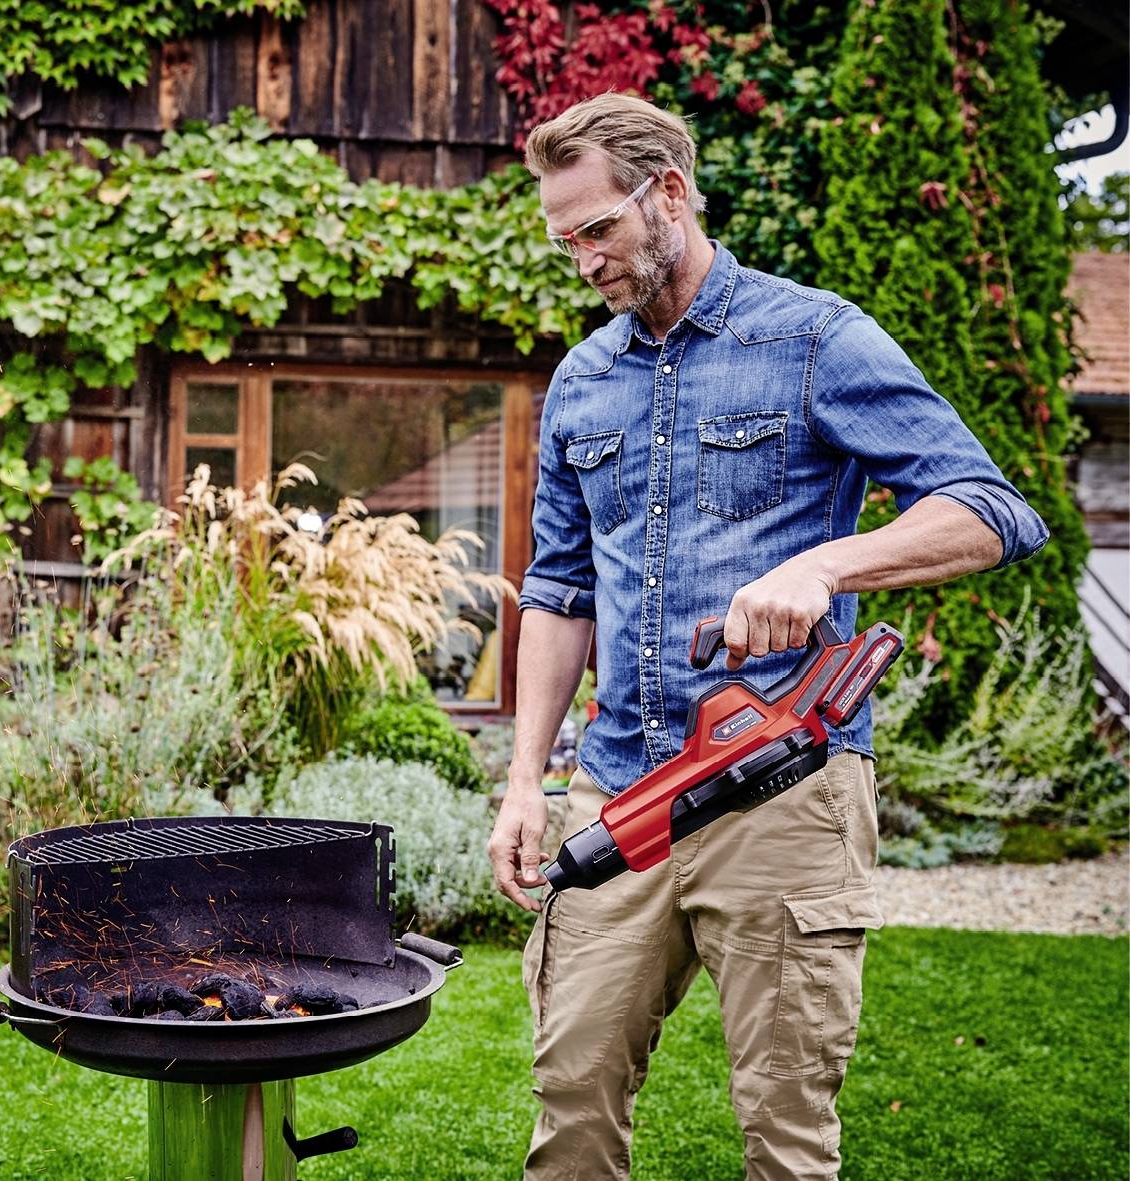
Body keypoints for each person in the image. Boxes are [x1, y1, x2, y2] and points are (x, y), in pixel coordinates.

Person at [486, 93, 1049, 1181]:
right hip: (617, 796)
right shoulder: (580, 381)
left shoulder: (811, 338)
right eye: (562, 241)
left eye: (597, 229)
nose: (583, 261)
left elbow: (989, 508)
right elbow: (556, 590)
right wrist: (523, 778)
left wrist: (824, 563)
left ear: (669, 194)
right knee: (569, 1113)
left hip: (782, 788)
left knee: (784, 1139)